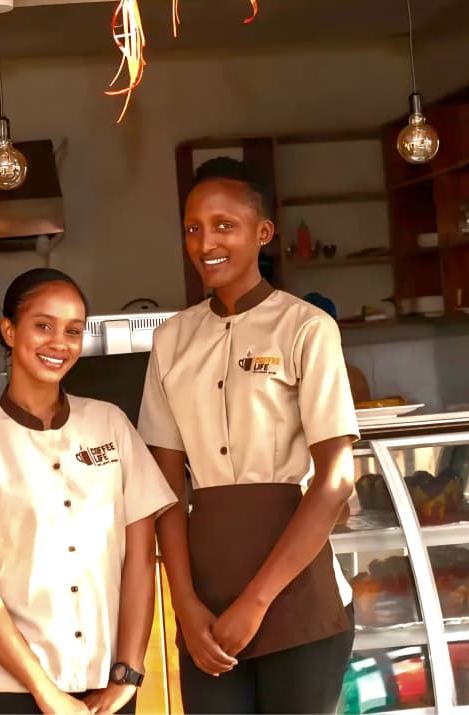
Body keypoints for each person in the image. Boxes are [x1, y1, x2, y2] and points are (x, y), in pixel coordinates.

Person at [137, 157, 358, 713]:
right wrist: (184, 604)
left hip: (298, 597)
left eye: (224, 225)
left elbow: (335, 480)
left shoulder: (307, 328)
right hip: (205, 603)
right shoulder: (171, 341)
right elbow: (164, 487)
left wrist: (257, 601)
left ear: (263, 233)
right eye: (193, 227)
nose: (205, 241)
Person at [0, 268, 177, 715]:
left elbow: (139, 558)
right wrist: (45, 691)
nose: (59, 343)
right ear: (9, 331)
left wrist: (129, 673)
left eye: (73, 330)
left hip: (105, 686)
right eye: (43, 325)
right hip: (5, 692)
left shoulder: (111, 424)